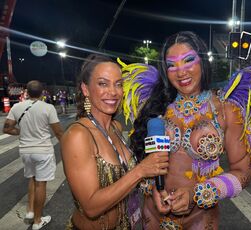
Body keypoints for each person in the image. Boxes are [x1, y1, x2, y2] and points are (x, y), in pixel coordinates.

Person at [130, 31, 251, 229]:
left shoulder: (226, 110)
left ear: (203, 60)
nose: (181, 72)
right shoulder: (155, 106)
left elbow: (244, 172)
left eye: (188, 60)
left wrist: (198, 193)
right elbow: (141, 162)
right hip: (153, 215)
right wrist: (152, 187)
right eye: (172, 65)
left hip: (200, 220)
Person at [61, 54, 169, 230]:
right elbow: (91, 207)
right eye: (103, 83)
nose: (113, 92)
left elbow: (123, 177)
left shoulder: (116, 128)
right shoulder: (78, 135)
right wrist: (141, 171)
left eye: (118, 84)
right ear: (85, 89)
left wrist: (155, 190)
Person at [3, 80, 63, 230]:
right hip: (43, 151)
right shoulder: (48, 108)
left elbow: (7, 128)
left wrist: (20, 131)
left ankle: (30, 211)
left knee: (32, 178)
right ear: (42, 92)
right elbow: (58, 132)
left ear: (27, 93)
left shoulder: (17, 107)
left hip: (26, 151)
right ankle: (37, 221)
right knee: (41, 184)